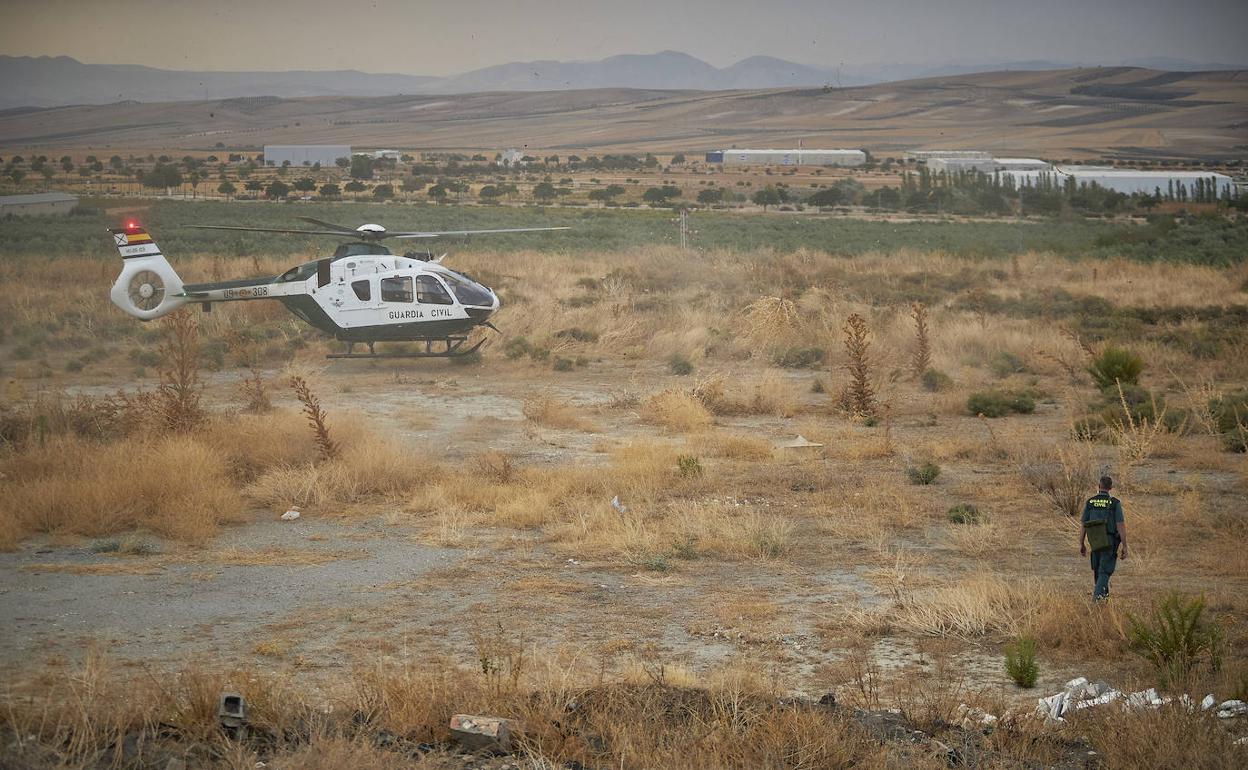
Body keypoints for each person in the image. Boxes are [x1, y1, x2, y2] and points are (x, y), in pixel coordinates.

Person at [1079, 475, 1128, 601]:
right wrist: (1124, 545)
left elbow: (1084, 524)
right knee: (1104, 571)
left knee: (1097, 570)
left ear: (1099, 486)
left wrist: (1081, 543)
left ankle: (1103, 600)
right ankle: (1097, 600)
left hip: (1095, 541)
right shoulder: (1114, 503)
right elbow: (1120, 525)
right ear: (1110, 488)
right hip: (1109, 541)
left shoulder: (1090, 502)